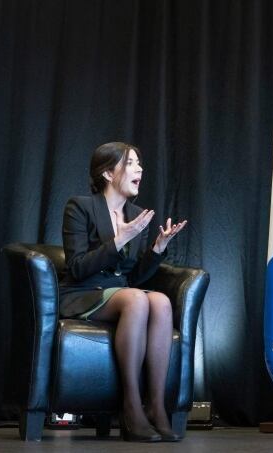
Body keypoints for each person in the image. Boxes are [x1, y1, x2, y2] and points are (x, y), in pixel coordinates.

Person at [59, 142, 187, 442]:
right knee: (135, 298)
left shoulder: (136, 213)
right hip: (82, 292)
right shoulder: (80, 207)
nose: (139, 168)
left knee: (161, 301)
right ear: (107, 173)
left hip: (120, 294)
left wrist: (157, 248)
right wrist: (118, 241)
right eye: (130, 163)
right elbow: (77, 267)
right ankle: (130, 406)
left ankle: (155, 406)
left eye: (139, 163)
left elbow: (134, 275)